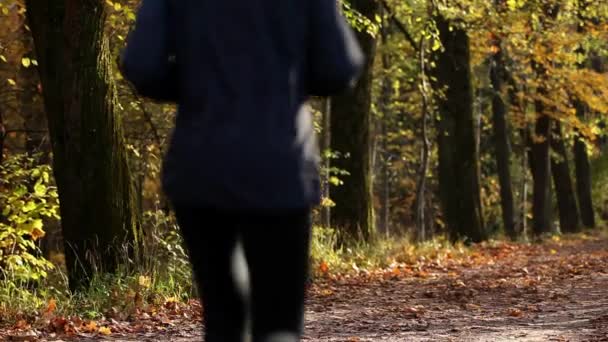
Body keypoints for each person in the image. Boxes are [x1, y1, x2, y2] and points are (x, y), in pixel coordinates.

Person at [121, 0, 363, 341]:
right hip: (280, 166)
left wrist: (195, 85)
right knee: (278, 321)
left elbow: (141, 65)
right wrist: (284, 80)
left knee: (222, 314)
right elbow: (339, 67)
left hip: (202, 167)